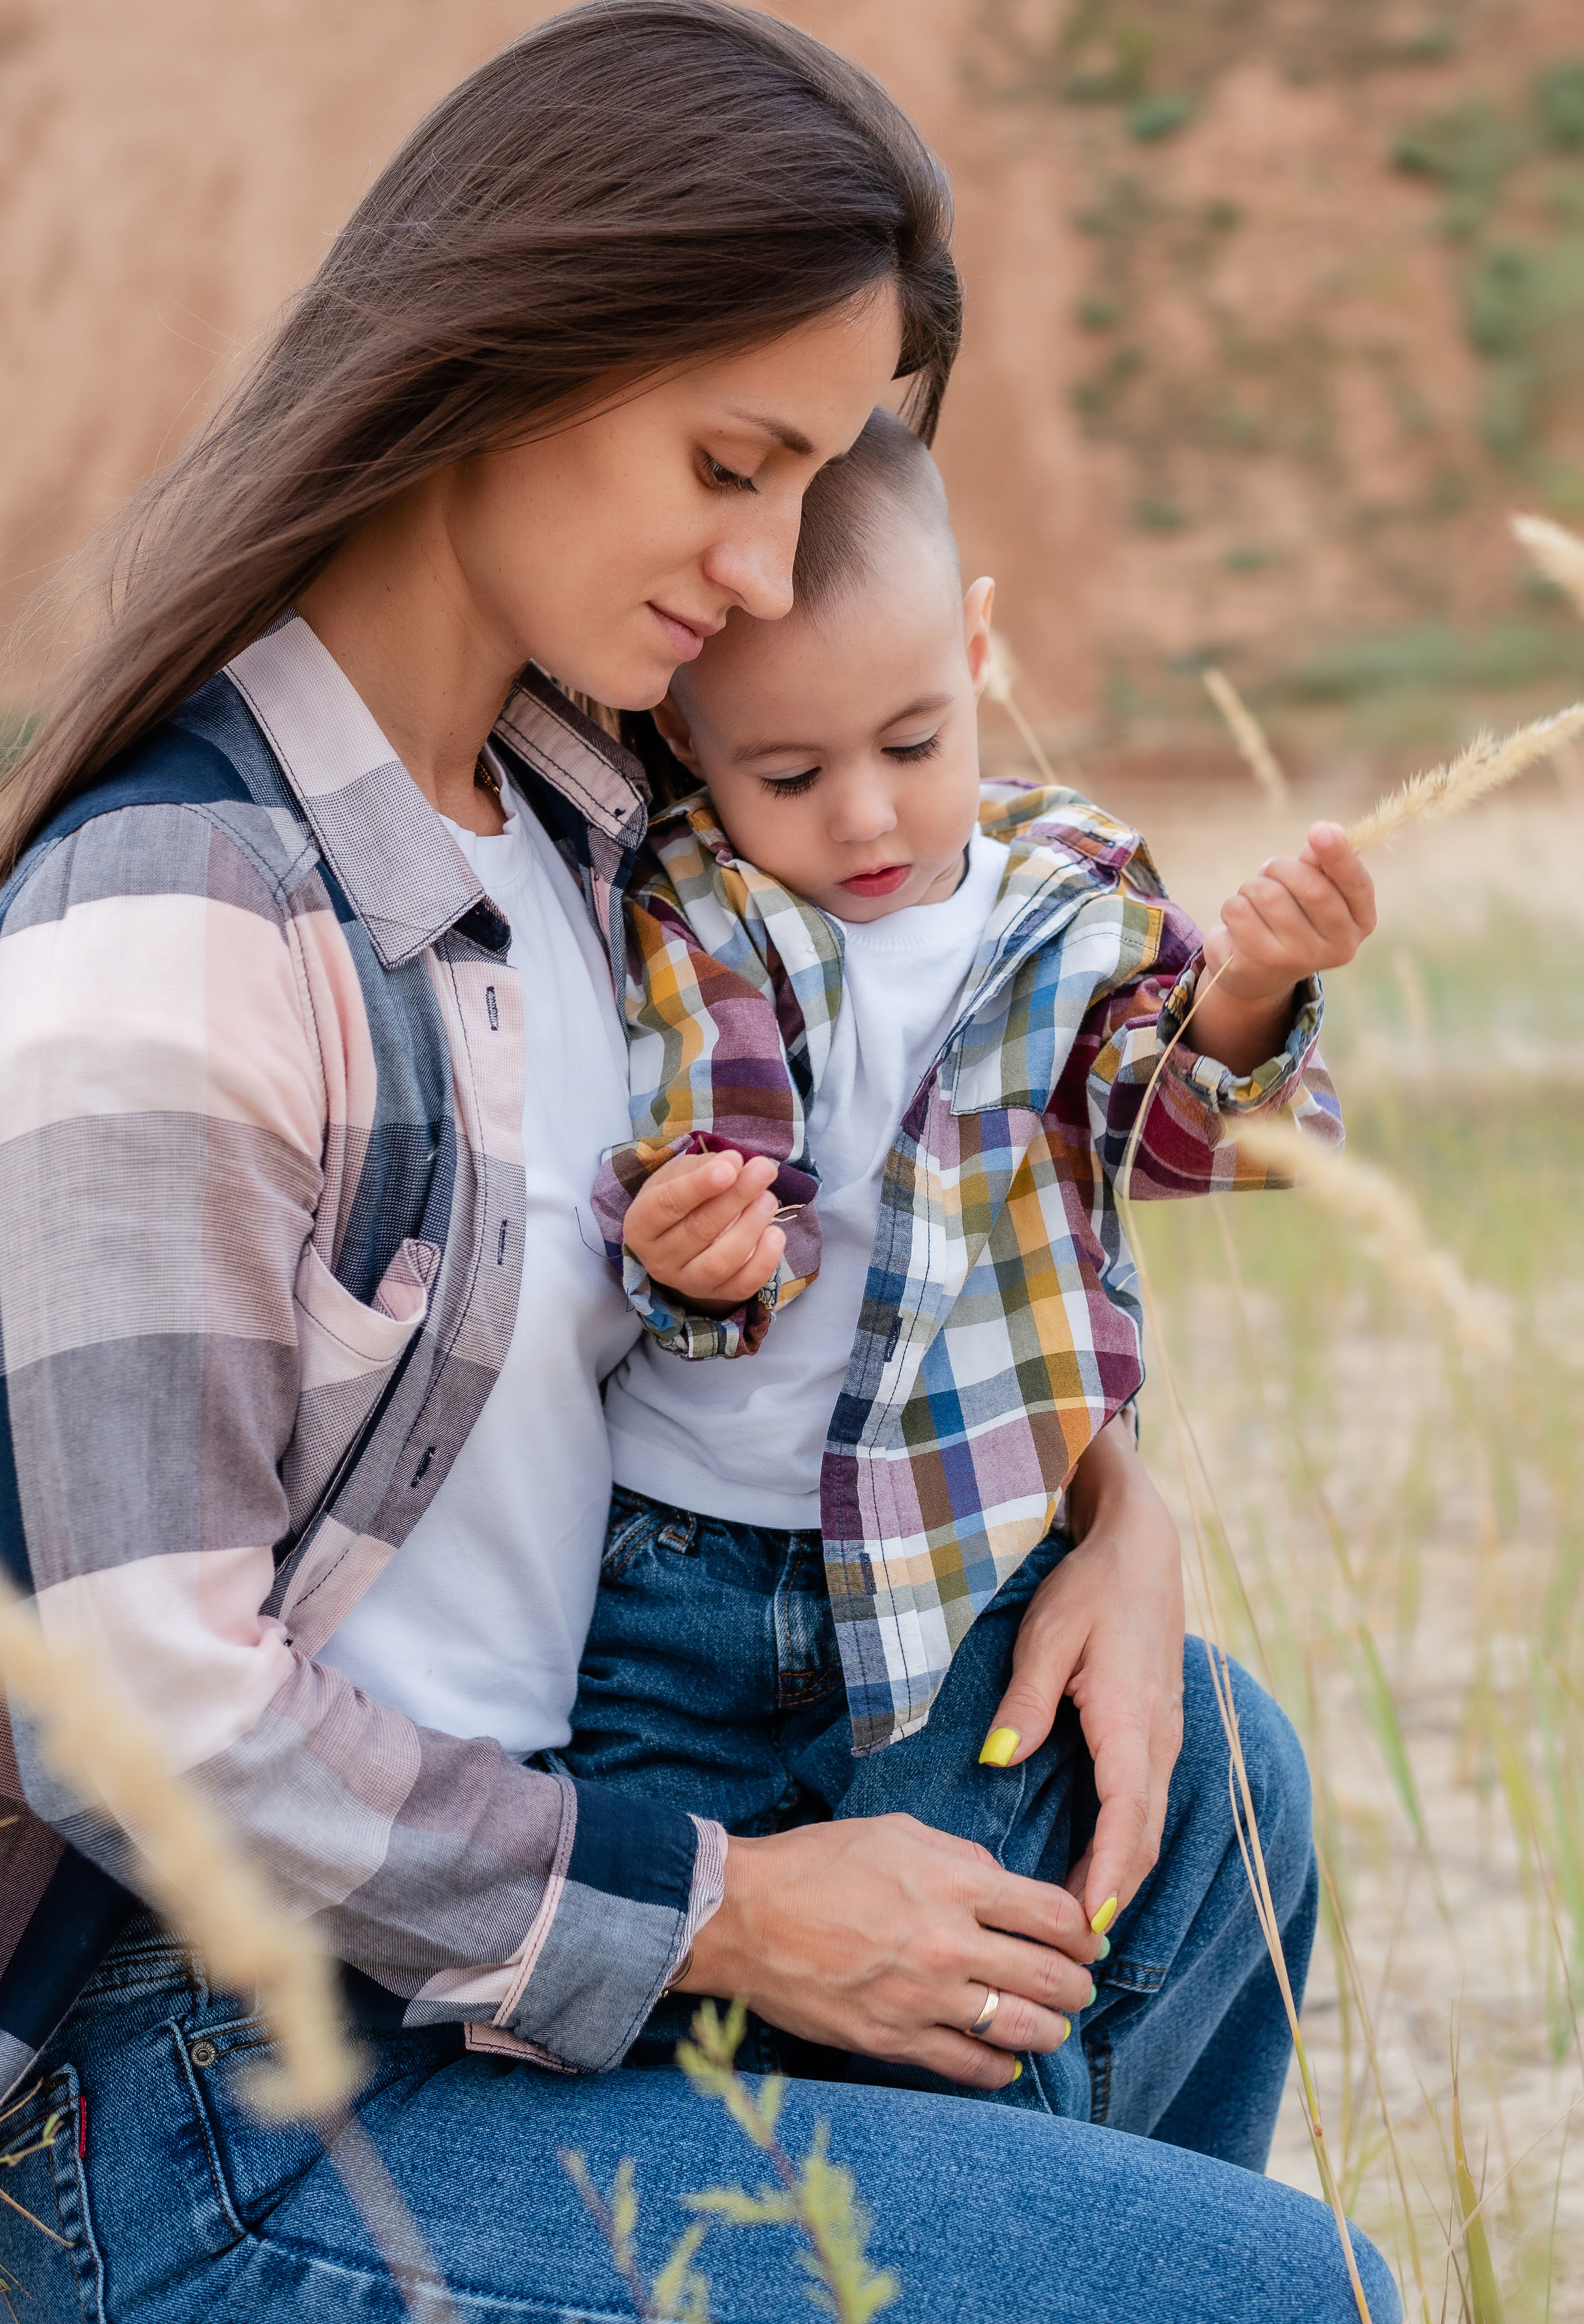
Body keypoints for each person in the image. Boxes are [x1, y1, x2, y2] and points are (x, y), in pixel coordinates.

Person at [0, 0, 1396, 2321]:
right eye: (733, 464)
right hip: (244, 2090)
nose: (774, 564)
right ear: (517, 346)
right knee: (1274, 2294)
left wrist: (1117, 1500)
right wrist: (730, 1911)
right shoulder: (176, 920)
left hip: (548, 1895)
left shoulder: (620, 837)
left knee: (1202, 1792)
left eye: (815, 488)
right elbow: (141, 1713)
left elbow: (922, 1213)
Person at [571, 405, 1375, 2110]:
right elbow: (697, 1155)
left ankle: (1115, 2242)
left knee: (989, 1984)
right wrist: (690, 1254)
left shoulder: (1067, 898)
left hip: (962, 1574)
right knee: (661, 2037)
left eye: (914, 739)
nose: (861, 812)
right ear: (689, 734)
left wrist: (1247, 989)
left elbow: (1174, 1127)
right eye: (787, 773)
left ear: (979, 649)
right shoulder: (689, 906)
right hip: (666, 1589)